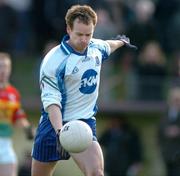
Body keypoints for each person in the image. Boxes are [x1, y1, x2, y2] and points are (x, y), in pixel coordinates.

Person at [31, 4, 137, 176]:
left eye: (89, 35)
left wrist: (121, 42)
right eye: (79, 34)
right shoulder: (54, 61)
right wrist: (60, 133)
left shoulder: (95, 47)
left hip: (84, 123)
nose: (84, 40)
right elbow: (52, 103)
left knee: (96, 173)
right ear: (68, 29)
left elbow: (108, 45)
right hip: (54, 126)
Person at [0, 52, 34, 176]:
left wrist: (28, 129)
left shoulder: (13, 93)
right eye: (0, 66)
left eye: (5, 67)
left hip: (5, 143)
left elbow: (18, 117)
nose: (3, 70)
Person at [158, 87, 180, 176]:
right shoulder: (165, 115)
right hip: (168, 154)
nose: (177, 102)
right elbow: (159, 132)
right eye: (175, 100)